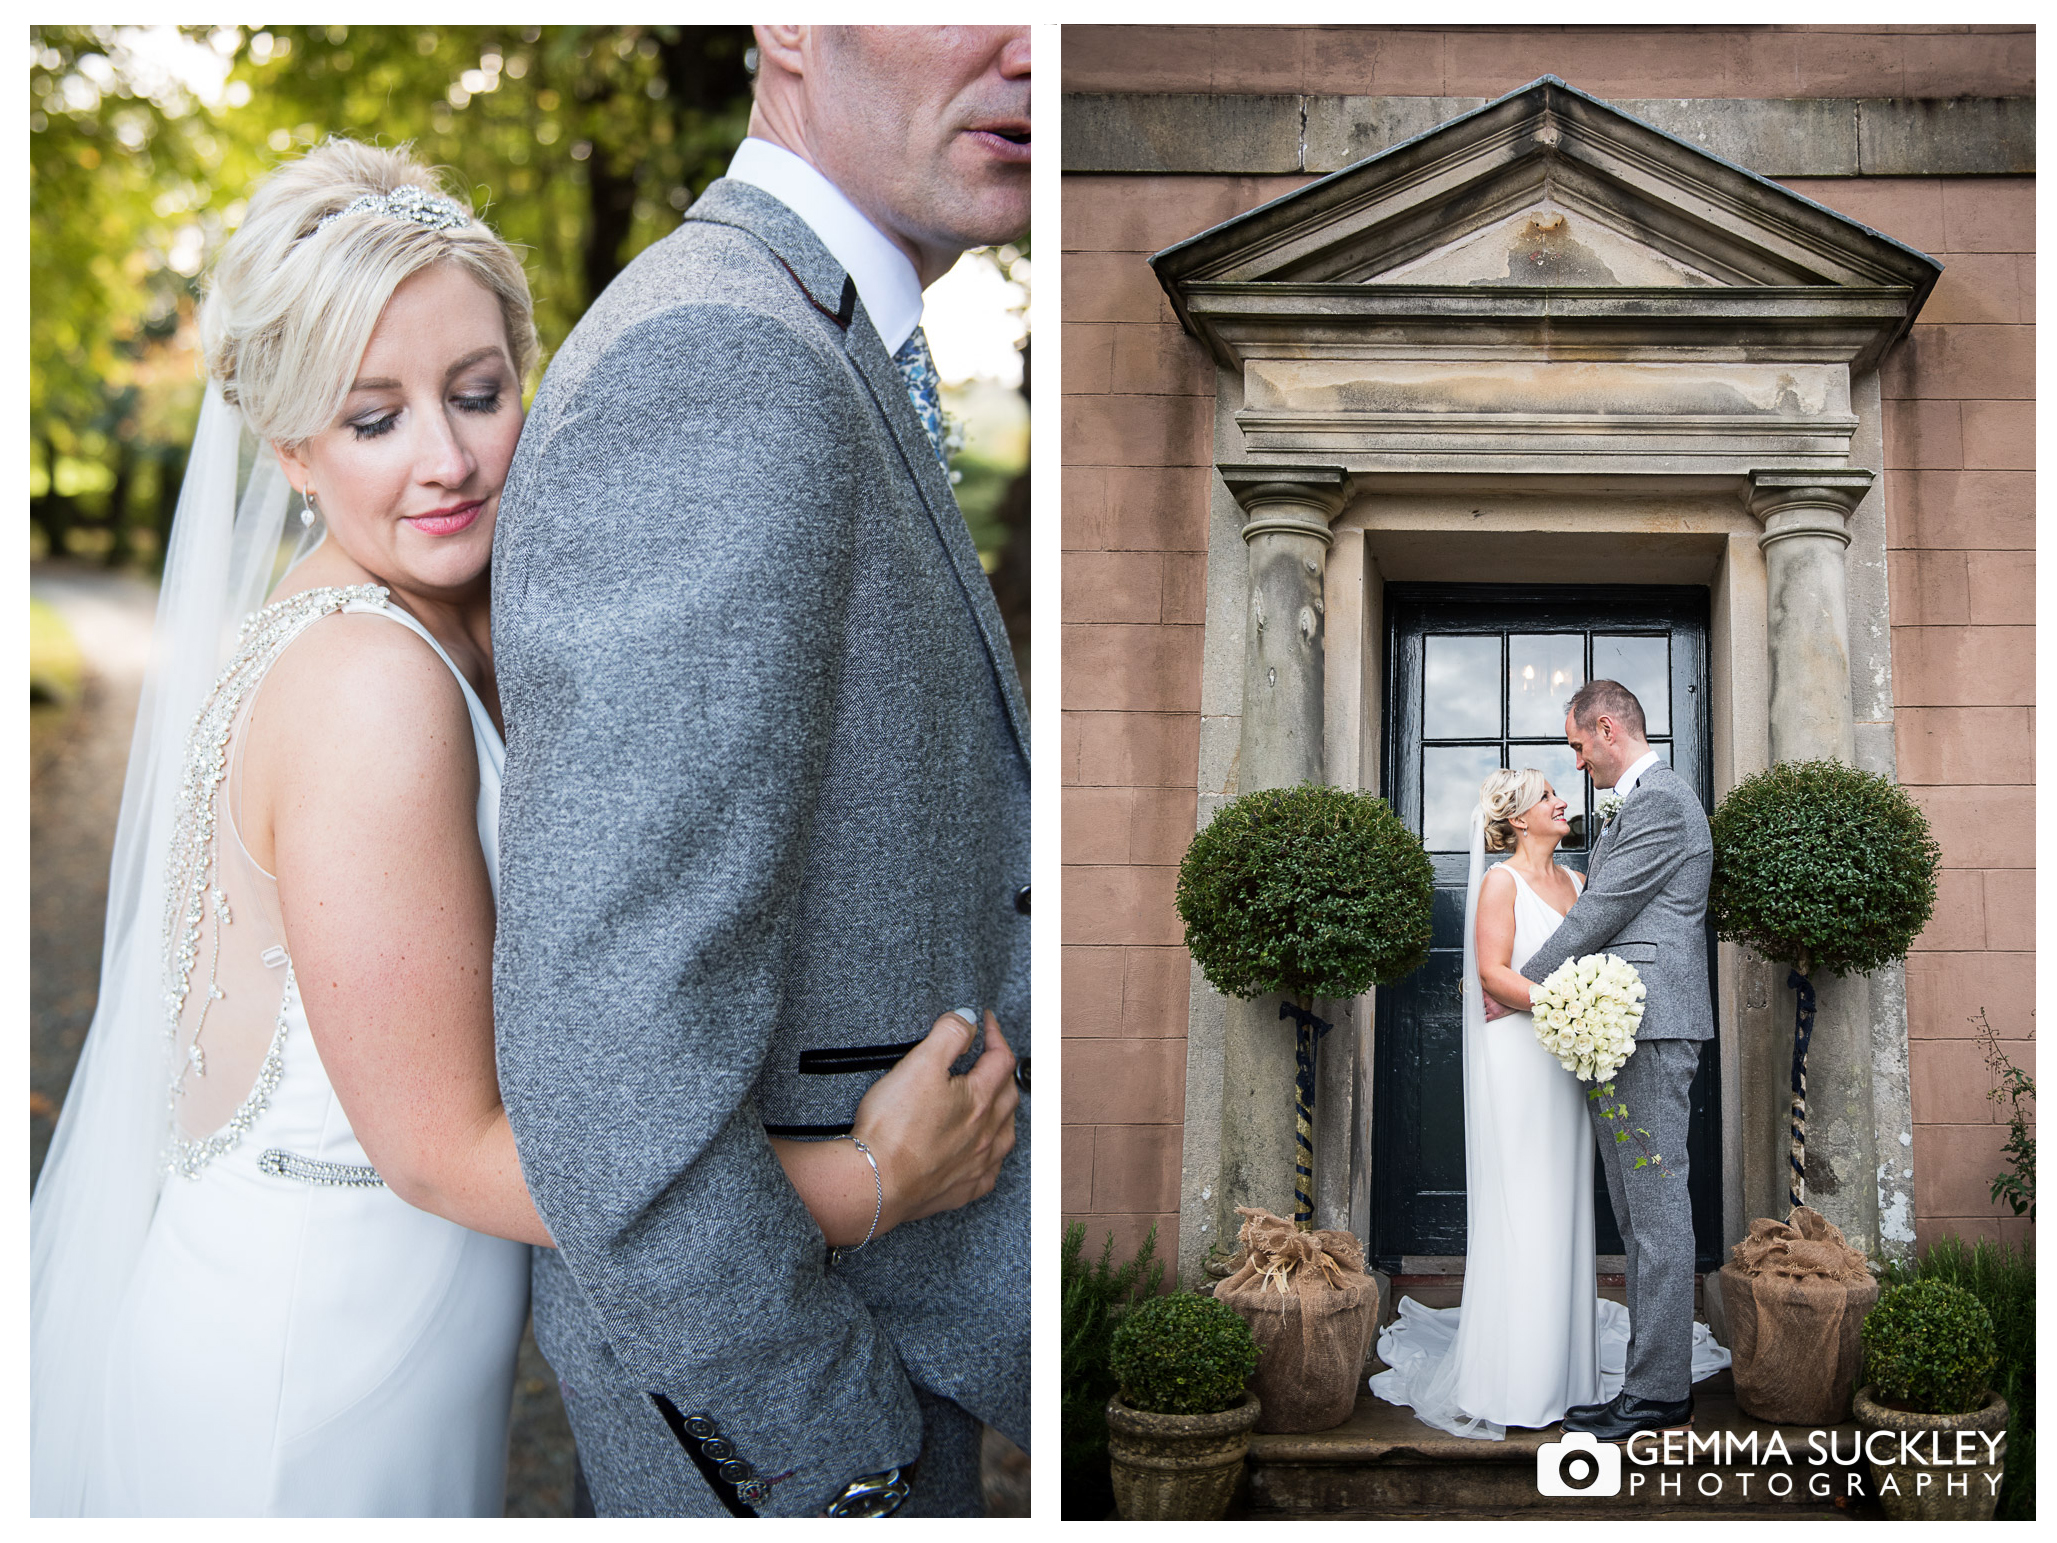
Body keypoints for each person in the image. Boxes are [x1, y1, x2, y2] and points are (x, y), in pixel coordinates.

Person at [29, 138, 1014, 1518]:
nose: (445, 459)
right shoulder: (369, 688)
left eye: (479, 394)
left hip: (361, 1326)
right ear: (288, 439)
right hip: (312, 1375)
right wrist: (870, 1180)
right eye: (374, 419)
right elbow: (445, 1144)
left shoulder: (394, 627)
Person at [490, 25, 1032, 1519]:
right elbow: (612, 1055)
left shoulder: (832, 333)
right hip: (795, 1423)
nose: (1034, 48)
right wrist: (823, 1445)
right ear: (784, 24)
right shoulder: (720, 352)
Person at [1515, 678, 1722, 1442]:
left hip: (1651, 1025)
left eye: (1576, 745)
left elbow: (1604, 910)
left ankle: (1660, 1394)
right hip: (1624, 1023)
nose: (1577, 762)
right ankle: (1647, 1382)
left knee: (1656, 1210)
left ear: (1607, 728)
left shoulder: (1662, 800)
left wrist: (1517, 981)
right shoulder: (1637, 803)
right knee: (1637, 1212)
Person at [1369, 768, 1603, 1438]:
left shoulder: (1579, 883)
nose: (1562, 801)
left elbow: (1590, 960)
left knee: (1563, 1203)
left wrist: (1589, 1002)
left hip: (1566, 1058)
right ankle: (1513, 1380)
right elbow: (1491, 974)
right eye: (1547, 796)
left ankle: (1566, 1377)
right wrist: (1565, 1000)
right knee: (1522, 1206)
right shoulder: (1499, 883)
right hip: (1517, 1059)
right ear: (1519, 818)